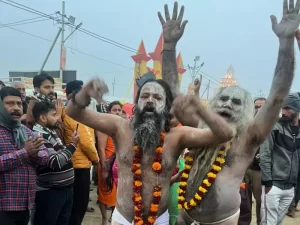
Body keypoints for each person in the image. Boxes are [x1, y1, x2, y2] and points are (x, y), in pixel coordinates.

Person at [65, 4, 235, 224]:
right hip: (124, 218)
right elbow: (73, 112)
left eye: (157, 98)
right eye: (145, 96)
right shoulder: (119, 127)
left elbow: (225, 134)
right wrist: (84, 93)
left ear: (166, 106)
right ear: (136, 102)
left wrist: (199, 106)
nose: (150, 101)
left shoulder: (177, 136)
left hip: (160, 218)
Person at [172, 1, 299, 224]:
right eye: (223, 98)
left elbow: (278, 94)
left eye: (236, 102)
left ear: (247, 111)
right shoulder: (201, 127)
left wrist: (286, 42)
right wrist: (168, 46)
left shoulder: (250, 136)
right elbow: (173, 95)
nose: (228, 104)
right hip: (185, 216)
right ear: (213, 103)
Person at [0, 87, 48, 225]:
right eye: (10, 103)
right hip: (3, 207)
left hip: (26, 204)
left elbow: (45, 156)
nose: (16, 108)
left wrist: (33, 153)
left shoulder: (25, 130)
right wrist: (25, 153)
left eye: (19, 104)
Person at [32, 101, 80, 225]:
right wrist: (73, 145)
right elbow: (55, 162)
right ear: (43, 118)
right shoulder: (39, 135)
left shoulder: (50, 132)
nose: (57, 118)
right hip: (50, 194)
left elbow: (62, 156)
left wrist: (69, 147)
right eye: (54, 115)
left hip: (63, 191)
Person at [62, 80, 99, 225]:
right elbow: (86, 141)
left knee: (74, 205)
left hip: (74, 163)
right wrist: (96, 160)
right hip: (79, 165)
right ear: (72, 95)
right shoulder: (75, 114)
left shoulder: (71, 112)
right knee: (79, 206)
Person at [260, 92, 300, 224]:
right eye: (283, 108)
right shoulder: (274, 127)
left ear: (297, 109)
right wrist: (267, 182)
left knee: (278, 222)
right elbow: (265, 154)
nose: (284, 112)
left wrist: (294, 186)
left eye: (287, 108)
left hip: (290, 188)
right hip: (273, 186)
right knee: (268, 222)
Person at [238, 97, 266, 225]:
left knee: (261, 203)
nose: (258, 109)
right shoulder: (245, 126)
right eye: (256, 107)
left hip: (260, 172)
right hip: (245, 170)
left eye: (261, 107)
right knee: (244, 203)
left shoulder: (271, 126)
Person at [98, 101, 123, 225]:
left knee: (117, 195)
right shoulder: (104, 127)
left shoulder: (122, 126)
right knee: (105, 193)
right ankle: (104, 218)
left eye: (119, 110)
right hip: (106, 165)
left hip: (118, 166)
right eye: (114, 110)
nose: (117, 112)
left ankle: (113, 217)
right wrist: (105, 168)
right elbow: (101, 149)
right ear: (109, 112)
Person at [26, 73, 64, 140]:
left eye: (52, 87)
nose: (51, 91)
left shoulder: (48, 102)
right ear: (37, 89)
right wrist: (58, 116)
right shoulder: (36, 104)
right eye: (47, 87)